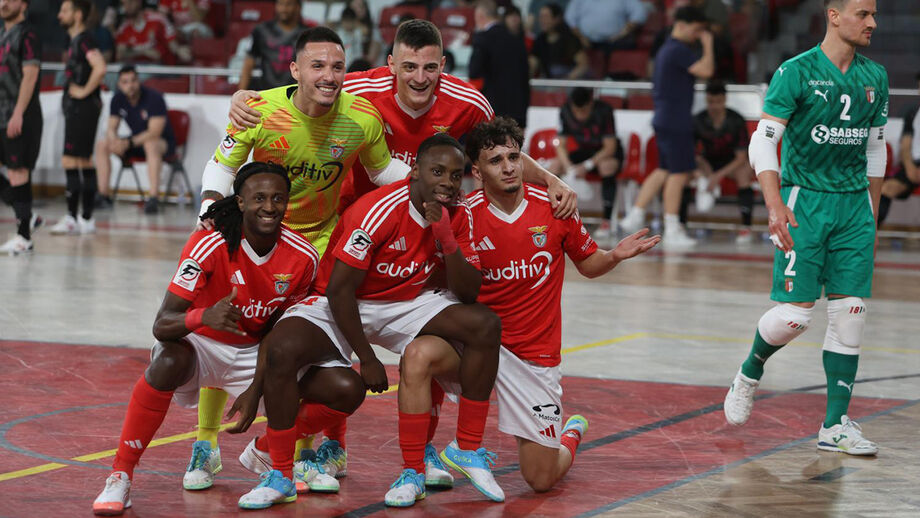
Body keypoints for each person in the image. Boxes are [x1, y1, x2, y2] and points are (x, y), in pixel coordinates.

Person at [233, 134, 504, 509]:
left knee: (485, 325)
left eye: (456, 176)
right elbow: (340, 291)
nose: (447, 183)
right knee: (284, 349)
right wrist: (368, 357)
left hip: (406, 302)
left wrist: (445, 235)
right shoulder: (376, 210)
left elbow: (469, 291)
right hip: (344, 301)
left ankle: (465, 448)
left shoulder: (459, 212)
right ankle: (280, 472)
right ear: (414, 171)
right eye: (437, 171)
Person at [395, 117, 658, 500]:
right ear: (477, 171)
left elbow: (588, 263)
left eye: (514, 157)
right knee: (417, 356)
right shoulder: (465, 214)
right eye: (496, 160)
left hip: (534, 357)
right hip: (479, 345)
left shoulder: (554, 209)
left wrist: (615, 255)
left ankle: (569, 433)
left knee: (540, 479)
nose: (508, 167)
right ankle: (414, 468)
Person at [192, 26, 405, 488]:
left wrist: (447, 193)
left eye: (337, 66)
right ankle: (205, 446)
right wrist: (210, 205)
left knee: (318, 348)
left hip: (323, 247)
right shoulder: (259, 109)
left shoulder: (362, 119)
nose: (329, 76)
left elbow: (384, 171)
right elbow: (222, 163)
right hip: (259, 241)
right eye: (318, 66)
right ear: (294, 70)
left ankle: (302, 455)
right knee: (232, 333)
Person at [91, 162, 328, 515]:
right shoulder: (208, 244)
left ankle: (269, 457)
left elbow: (281, 335)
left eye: (278, 198)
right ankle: (120, 475)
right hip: (202, 345)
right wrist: (205, 315)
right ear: (241, 202)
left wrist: (257, 385)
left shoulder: (303, 255)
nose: (269, 206)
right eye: (259, 197)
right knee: (167, 360)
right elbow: (162, 324)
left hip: (254, 351)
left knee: (342, 386)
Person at [723, 0, 887, 457]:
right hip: (803, 202)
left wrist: (870, 213)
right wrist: (774, 204)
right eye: (863, 13)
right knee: (796, 315)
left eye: (874, 13)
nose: (873, 22)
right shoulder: (795, 72)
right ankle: (750, 370)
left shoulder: (876, 76)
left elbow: (876, 150)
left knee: (851, 313)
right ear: (834, 15)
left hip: (854, 206)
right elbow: (764, 140)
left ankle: (835, 425)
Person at [228, 19, 577, 219]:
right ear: (392, 65)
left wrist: (552, 181)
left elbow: (503, 156)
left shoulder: (469, 103)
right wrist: (243, 97)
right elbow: (302, 91)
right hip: (355, 214)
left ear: (443, 66)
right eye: (409, 67)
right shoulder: (357, 89)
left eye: (429, 68)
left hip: (426, 214)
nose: (419, 78)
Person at [618, 6, 714, 249]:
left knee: (664, 169)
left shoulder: (667, 49)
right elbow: (707, 70)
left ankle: (635, 215)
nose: (698, 35)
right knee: (678, 173)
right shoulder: (678, 50)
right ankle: (672, 228)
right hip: (675, 120)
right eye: (696, 30)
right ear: (681, 25)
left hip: (665, 118)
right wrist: (709, 43)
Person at [50, 0, 106, 236]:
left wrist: (83, 91)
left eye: (65, 10)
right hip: (77, 110)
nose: (59, 15)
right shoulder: (74, 41)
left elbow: (100, 67)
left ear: (78, 14)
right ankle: (81, 217)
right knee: (78, 161)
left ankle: (80, 217)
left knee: (75, 160)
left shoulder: (84, 40)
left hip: (83, 109)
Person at [95, 65, 176, 214]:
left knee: (151, 144)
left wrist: (128, 142)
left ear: (138, 81)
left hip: (162, 143)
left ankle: (153, 199)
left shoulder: (154, 98)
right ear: (119, 84)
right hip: (136, 142)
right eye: (125, 82)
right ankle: (103, 195)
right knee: (102, 144)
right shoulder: (117, 98)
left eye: (133, 81)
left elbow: (154, 132)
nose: (130, 85)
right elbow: (111, 128)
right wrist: (115, 141)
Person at [549, 87, 621, 239]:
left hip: (603, 153)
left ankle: (606, 220)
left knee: (606, 167)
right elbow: (560, 145)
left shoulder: (604, 111)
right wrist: (569, 167)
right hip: (583, 150)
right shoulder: (565, 110)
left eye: (583, 111)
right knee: (555, 166)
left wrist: (587, 166)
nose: (580, 115)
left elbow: (610, 147)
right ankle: (550, 215)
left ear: (590, 104)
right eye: (577, 111)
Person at [0, 0, 43, 255]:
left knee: (18, 171)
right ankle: (28, 215)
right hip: (1, 112)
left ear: (23, 4)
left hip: (20, 114)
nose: (3, 3)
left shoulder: (28, 34)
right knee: (14, 174)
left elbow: (30, 74)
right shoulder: (3, 33)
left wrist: (18, 112)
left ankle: (24, 236)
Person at [692, 81, 755, 243]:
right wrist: (707, 173)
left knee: (744, 173)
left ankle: (746, 227)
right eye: (710, 102)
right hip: (707, 163)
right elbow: (694, 154)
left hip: (731, 162)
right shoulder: (698, 120)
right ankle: (680, 224)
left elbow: (741, 157)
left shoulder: (736, 120)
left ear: (724, 100)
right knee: (683, 173)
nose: (714, 106)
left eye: (718, 102)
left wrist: (718, 176)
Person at [469, 0, 529, 128]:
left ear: (480, 16)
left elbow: (474, 73)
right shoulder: (517, 41)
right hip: (517, 112)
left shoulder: (482, 39)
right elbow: (525, 79)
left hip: (491, 111)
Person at [877, 72, 920, 227]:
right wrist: (909, 167)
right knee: (885, 189)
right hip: (913, 166)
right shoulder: (913, 113)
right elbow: (906, 144)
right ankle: (870, 234)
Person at [238, 0, 307, 91]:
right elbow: (249, 64)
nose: (283, 9)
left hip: (295, 94)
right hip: (267, 92)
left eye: (289, 4)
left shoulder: (307, 34)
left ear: (298, 7)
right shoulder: (262, 30)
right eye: (280, 4)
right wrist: (241, 92)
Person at [114, 0, 189, 65]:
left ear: (139, 1)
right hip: (136, 69)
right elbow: (120, 55)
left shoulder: (158, 20)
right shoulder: (124, 28)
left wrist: (180, 50)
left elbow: (173, 46)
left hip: (160, 69)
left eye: (130, 2)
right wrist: (143, 52)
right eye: (124, 3)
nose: (127, 7)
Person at [529, 2, 587, 80]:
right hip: (547, 84)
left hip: (568, 84)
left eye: (546, 17)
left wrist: (566, 81)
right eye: (541, 17)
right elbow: (533, 64)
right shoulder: (540, 40)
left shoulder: (569, 39)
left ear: (557, 19)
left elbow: (583, 65)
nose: (542, 20)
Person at [564, 0, 647, 54]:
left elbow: (639, 13)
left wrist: (622, 33)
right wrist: (581, 37)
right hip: (585, 40)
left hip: (616, 40)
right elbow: (570, 18)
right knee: (570, 44)